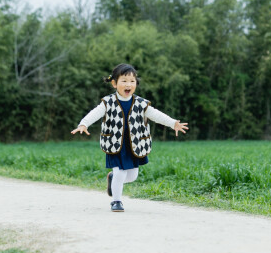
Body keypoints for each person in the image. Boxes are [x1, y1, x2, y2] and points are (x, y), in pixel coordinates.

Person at [71, 63, 188, 212]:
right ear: (114, 83)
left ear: (136, 84)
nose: (128, 84)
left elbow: (156, 115)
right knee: (120, 172)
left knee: (132, 176)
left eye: (132, 81)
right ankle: (116, 201)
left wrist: (173, 123)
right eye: (124, 81)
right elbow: (94, 113)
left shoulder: (141, 103)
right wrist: (83, 124)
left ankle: (113, 179)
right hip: (115, 143)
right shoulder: (108, 102)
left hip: (135, 144)